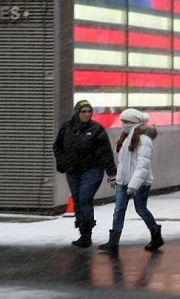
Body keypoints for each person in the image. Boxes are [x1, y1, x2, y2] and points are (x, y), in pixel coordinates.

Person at [98, 108, 163, 253]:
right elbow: (123, 163)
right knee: (119, 210)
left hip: (139, 183)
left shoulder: (144, 139)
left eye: (126, 121)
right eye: (123, 121)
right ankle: (113, 242)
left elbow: (143, 165)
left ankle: (156, 235)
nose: (123, 124)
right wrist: (117, 179)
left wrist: (134, 185)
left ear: (134, 122)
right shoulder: (126, 137)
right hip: (123, 182)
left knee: (141, 209)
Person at [54, 100, 117, 248]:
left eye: (89, 111)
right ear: (77, 112)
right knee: (77, 199)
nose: (87, 114)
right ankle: (83, 233)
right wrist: (62, 162)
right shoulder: (67, 128)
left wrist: (111, 172)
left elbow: (105, 152)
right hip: (73, 170)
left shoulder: (96, 129)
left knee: (84, 198)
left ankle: (87, 233)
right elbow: (57, 146)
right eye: (84, 111)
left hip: (93, 169)